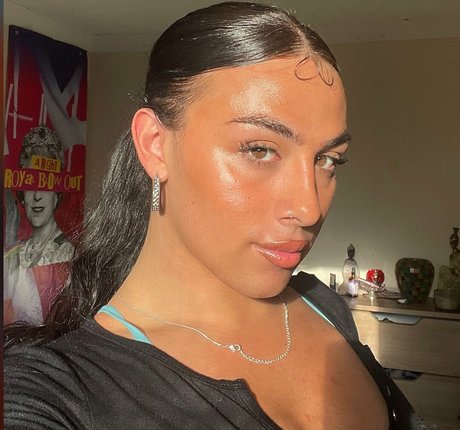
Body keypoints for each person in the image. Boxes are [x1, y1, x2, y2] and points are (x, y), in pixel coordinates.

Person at [4, 2, 423, 429]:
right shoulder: (57, 392)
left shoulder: (323, 306)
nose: (309, 208)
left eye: (328, 159)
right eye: (259, 150)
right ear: (155, 145)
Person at [3, 125, 75, 325]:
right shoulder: (17, 249)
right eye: (30, 186)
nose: (36, 197)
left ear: (56, 195)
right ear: (21, 196)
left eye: (45, 186)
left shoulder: (65, 251)